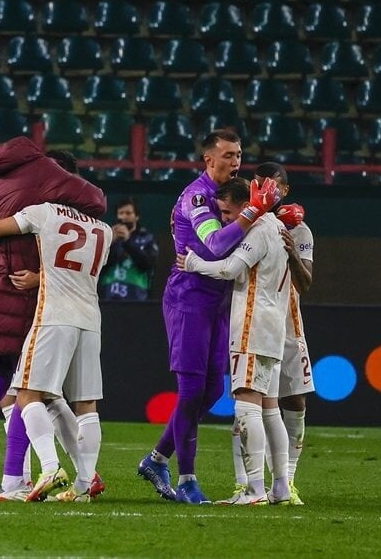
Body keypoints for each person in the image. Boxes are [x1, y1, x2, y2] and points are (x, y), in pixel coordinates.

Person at [0, 142, 106, 502]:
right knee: (40, 394)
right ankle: (32, 478)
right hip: (48, 310)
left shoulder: (14, 196)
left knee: (12, 392)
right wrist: (40, 278)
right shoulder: (92, 224)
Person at [136, 130, 281, 504]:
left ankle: (156, 459)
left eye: (239, 154)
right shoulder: (196, 197)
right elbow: (215, 244)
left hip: (219, 301)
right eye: (228, 155)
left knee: (214, 390)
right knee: (190, 391)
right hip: (189, 298)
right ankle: (187, 479)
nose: (236, 161)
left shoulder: (232, 194)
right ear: (208, 159)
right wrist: (252, 211)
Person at [178, 172, 292, 505]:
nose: (226, 220)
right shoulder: (278, 227)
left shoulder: (259, 229)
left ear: (245, 205)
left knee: (245, 405)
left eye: (227, 212)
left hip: (252, 325)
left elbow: (229, 269)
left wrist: (194, 263)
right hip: (274, 325)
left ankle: (254, 490)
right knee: (269, 409)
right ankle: (281, 486)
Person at [224, 165, 311, 505]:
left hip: (287, 323)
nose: (267, 190)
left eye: (273, 185)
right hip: (262, 319)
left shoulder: (299, 230)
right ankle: (245, 482)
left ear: (285, 190)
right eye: (260, 184)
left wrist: (293, 253)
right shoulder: (251, 222)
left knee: (290, 401)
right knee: (255, 402)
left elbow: (305, 283)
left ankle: (285, 481)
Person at [99, 198, 159, 301]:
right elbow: (99, 265)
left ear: (137, 216)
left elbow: (148, 264)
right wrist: (109, 243)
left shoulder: (147, 238)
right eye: (121, 213)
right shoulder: (109, 237)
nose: (124, 217)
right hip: (108, 295)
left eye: (128, 213)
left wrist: (128, 241)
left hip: (136, 296)